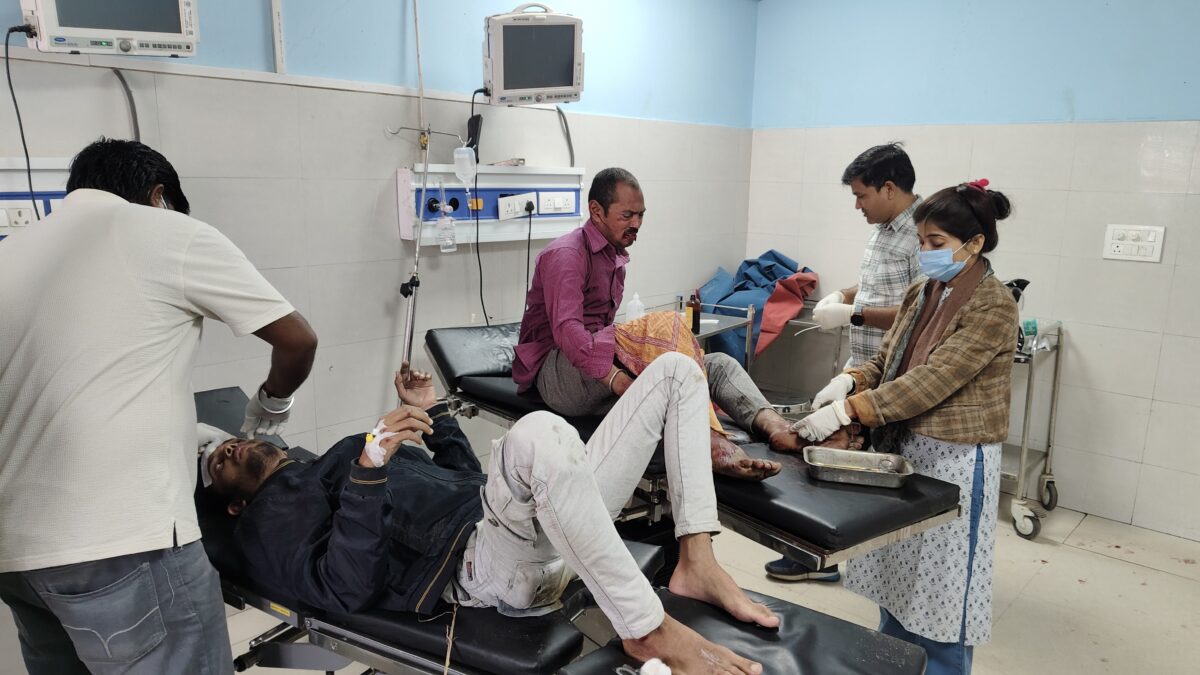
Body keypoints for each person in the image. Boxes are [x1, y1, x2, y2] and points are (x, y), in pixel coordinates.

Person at [204, 356, 779, 674]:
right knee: (540, 433)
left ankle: (697, 560)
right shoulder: (265, 520)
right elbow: (344, 587)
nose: (225, 449)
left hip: (523, 529)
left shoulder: (339, 454)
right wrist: (368, 470)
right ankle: (647, 630)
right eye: (215, 464)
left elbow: (465, 482)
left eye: (224, 443)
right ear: (232, 503)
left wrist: (434, 415)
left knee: (677, 372)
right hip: (483, 569)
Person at [0, 139, 318, 674]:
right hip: (122, 544)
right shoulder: (166, 230)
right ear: (159, 196)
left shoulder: (12, 250)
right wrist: (273, 404)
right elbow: (298, 341)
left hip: (15, 555)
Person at [792, 180, 1017, 675]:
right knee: (897, 574)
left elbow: (933, 381)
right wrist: (850, 380)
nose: (925, 251)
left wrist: (850, 412)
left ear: (974, 243)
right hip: (907, 449)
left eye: (936, 242)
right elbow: (890, 360)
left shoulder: (994, 306)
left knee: (941, 594)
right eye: (921, 241)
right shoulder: (923, 291)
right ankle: (893, 664)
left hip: (957, 460)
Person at [514, 167, 798, 481]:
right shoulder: (566, 255)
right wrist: (619, 379)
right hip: (559, 374)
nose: (636, 224)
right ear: (596, 211)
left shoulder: (613, 257)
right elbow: (568, 334)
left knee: (717, 365)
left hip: (596, 368)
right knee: (666, 329)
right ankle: (710, 444)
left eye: (641, 215)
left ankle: (775, 425)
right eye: (627, 215)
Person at [767, 142, 924, 582]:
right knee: (834, 454)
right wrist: (844, 295)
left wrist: (854, 314)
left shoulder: (924, 235)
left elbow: (920, 311)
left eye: (861, 195)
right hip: (862, 365)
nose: (857, 206)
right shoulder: (885, 227)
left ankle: (859, 558)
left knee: (861, 463)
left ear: (889, 188)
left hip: (893, 373)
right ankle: (819, 555)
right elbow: (878, 283)